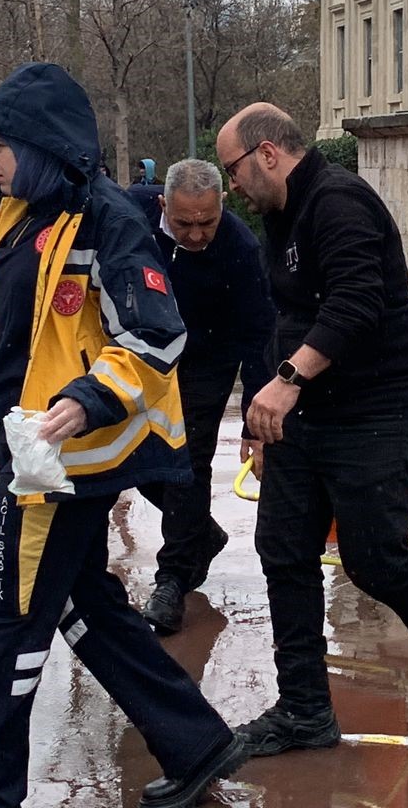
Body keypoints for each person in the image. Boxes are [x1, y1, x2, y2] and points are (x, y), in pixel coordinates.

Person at [0, 64, 242, 808]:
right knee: (86, 610)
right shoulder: (22, 212)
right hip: (35, 452)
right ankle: (195, 742)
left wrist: (82, 401)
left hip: (62, 464)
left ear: (40, 146)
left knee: (4, 628)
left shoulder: (109, 219)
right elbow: (8, 337)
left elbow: (156, 334)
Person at [217, 103, 408, 757]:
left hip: (380, 412)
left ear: (267, 152)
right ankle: (304, 710)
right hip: (307, 415)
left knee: (371, 558)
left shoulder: (339, 202)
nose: (232, 187)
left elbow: (354, 304)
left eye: (234, 171)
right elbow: (286, 316)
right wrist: (262, 398)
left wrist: (289, 380)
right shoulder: (278, 217)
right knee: (284, 551)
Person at [126, 159, 276, 636]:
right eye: (184, 223)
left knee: (187, 462)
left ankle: (172, 579)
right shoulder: (131, 212)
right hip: (143, 352)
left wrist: (256, 421)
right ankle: (201, 534)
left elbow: (258, 336)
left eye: (206, 223)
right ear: (162, 204)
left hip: (209, 357)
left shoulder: (239, 247)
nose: (195, 235)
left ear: (221, 207)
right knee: (132, 456)